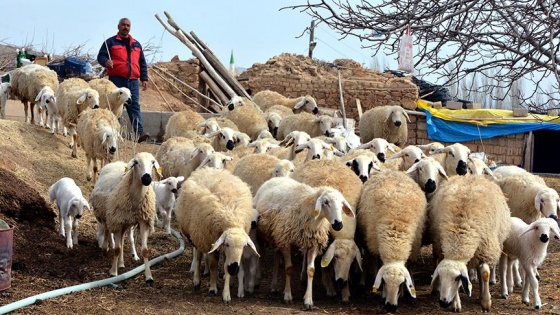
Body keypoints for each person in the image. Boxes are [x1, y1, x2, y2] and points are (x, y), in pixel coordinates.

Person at [97, 17, 150, 143]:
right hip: (116, 80)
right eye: (123, 25)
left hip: (132, 81)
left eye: (128, 25)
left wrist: (144, 78)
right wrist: (106, 61)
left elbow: (142, 62)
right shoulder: (110, 42)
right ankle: (113, 131)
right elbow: (101, 56)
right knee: (115, 106)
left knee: (134, 106)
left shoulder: (136, 44)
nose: (126, 27)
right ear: (118, 26)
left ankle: (139, 133)